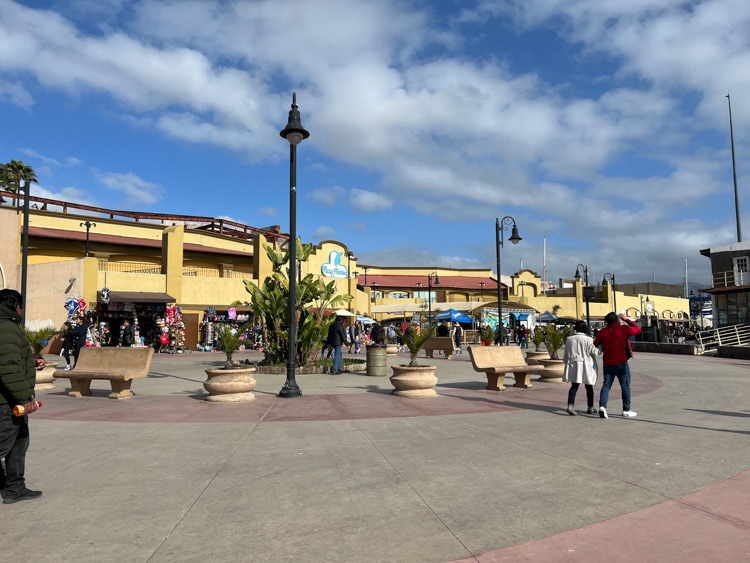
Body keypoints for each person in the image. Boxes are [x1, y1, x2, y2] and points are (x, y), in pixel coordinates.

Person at [0, 288, 44, 504]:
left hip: (10, 399)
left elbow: (10, 357)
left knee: (19, 443)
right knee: (5, 444)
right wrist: (25, 398)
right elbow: (8, 369)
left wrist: (32, 359)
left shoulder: (7, 328)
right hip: (7, 402)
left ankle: (14, 488)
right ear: (16, 306)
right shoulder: (7, 328)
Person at [594, 312, 642, 419]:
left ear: (606, 321)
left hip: (608, 363)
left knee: (606, 385)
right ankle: (626, 409)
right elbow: (638, 329)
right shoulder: (623, 329)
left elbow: (596, 343)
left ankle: (603, 406)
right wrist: (626, 319)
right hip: (621, 362)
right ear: (617, 320)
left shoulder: (602, 332)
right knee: (625, 386)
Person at [563, 320, 602, 416]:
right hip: (586, 365)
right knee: (589, 386)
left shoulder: (569, 339)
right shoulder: (588, 339)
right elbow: (595, 352)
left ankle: (570, 405)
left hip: (573, 364)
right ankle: (590, 407)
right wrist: (601, 346)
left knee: (574, 386)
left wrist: (566, 362)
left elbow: (566, 354)